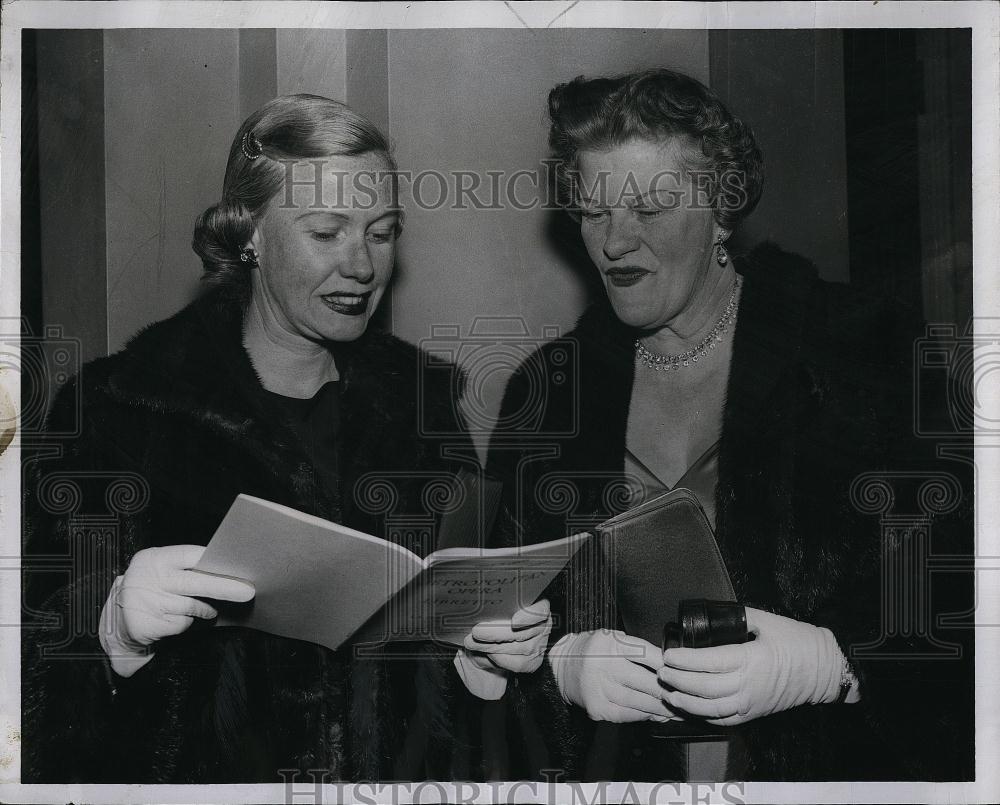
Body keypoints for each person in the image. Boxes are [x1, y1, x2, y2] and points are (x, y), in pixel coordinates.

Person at [21, 93, 550, 783]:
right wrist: (111, 629)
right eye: (327, 232)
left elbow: (462, 708)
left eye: (382, 231)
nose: (362, 266)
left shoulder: (424, 408)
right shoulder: (115, 409)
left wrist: (485, 668)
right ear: (251, 237)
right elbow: (30, 674)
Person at [482, 70, 973, 781]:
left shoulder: (866, 350)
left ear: (722, 211)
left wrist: (839, 665)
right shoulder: (550, 391)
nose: (615, 241)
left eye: (650, 208)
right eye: (593, 211)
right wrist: (554, 665)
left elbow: (962, 594)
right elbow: (491, 613)